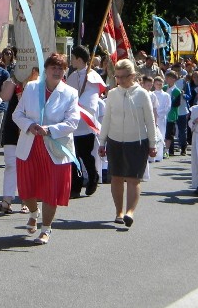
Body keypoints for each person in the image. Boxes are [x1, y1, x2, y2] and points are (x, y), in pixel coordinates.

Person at [13, 53, 79, 245]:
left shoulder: (70, 93)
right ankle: (33, 212)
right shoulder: (32, 88)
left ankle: (46, 228)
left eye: (61, 68)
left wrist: (50, 130)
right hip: (30, 146)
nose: (57, 71)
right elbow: (17, 114)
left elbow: (72, 122)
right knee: (27, 190)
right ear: (46, 70)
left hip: (55, 148)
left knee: (51, 190)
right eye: (53, 68)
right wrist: (29, 126)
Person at [97, 59, 157, 228]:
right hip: (115, 141)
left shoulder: (142, 94)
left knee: (132, 178)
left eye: (123, 77)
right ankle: (119, 212)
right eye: (117, 77)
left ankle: (130, 212)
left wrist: (153, 144)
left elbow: (150, 121)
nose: (120, 80)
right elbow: (107, 119)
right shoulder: (112, 94)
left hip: (137, 142)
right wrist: (102, 142)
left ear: (132, 76)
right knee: (116, 177)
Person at [68, 45, 106, 195]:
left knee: (85, 154)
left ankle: (93, 177)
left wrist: (78, 106)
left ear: (78, 59)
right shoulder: (72, 76)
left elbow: (91, 100)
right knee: (73, 156)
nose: (71, 60)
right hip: (72, 123)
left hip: (85, 123)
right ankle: (75, 185)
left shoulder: (93, 76)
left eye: (72, 57)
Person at [0, 73, 27, 214]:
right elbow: (4, 96)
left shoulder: (40, 77)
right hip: (13, 124)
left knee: (27, 165)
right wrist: (15, 77)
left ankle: (26, 201)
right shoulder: (15, 76)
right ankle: (7, 200)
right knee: (10, 164)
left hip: (30, 125)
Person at [151, 76, 170, 161]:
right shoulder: (152, 94)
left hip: (161, 118)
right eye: (157, 84)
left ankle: (159, 155)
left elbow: (168, 107)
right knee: (153, 135)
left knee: (161, 135)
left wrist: (160, 113)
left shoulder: (166, 95)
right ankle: (152, 155)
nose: (158, 85)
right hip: (153, 117)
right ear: (154, 84)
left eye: (160, 84)